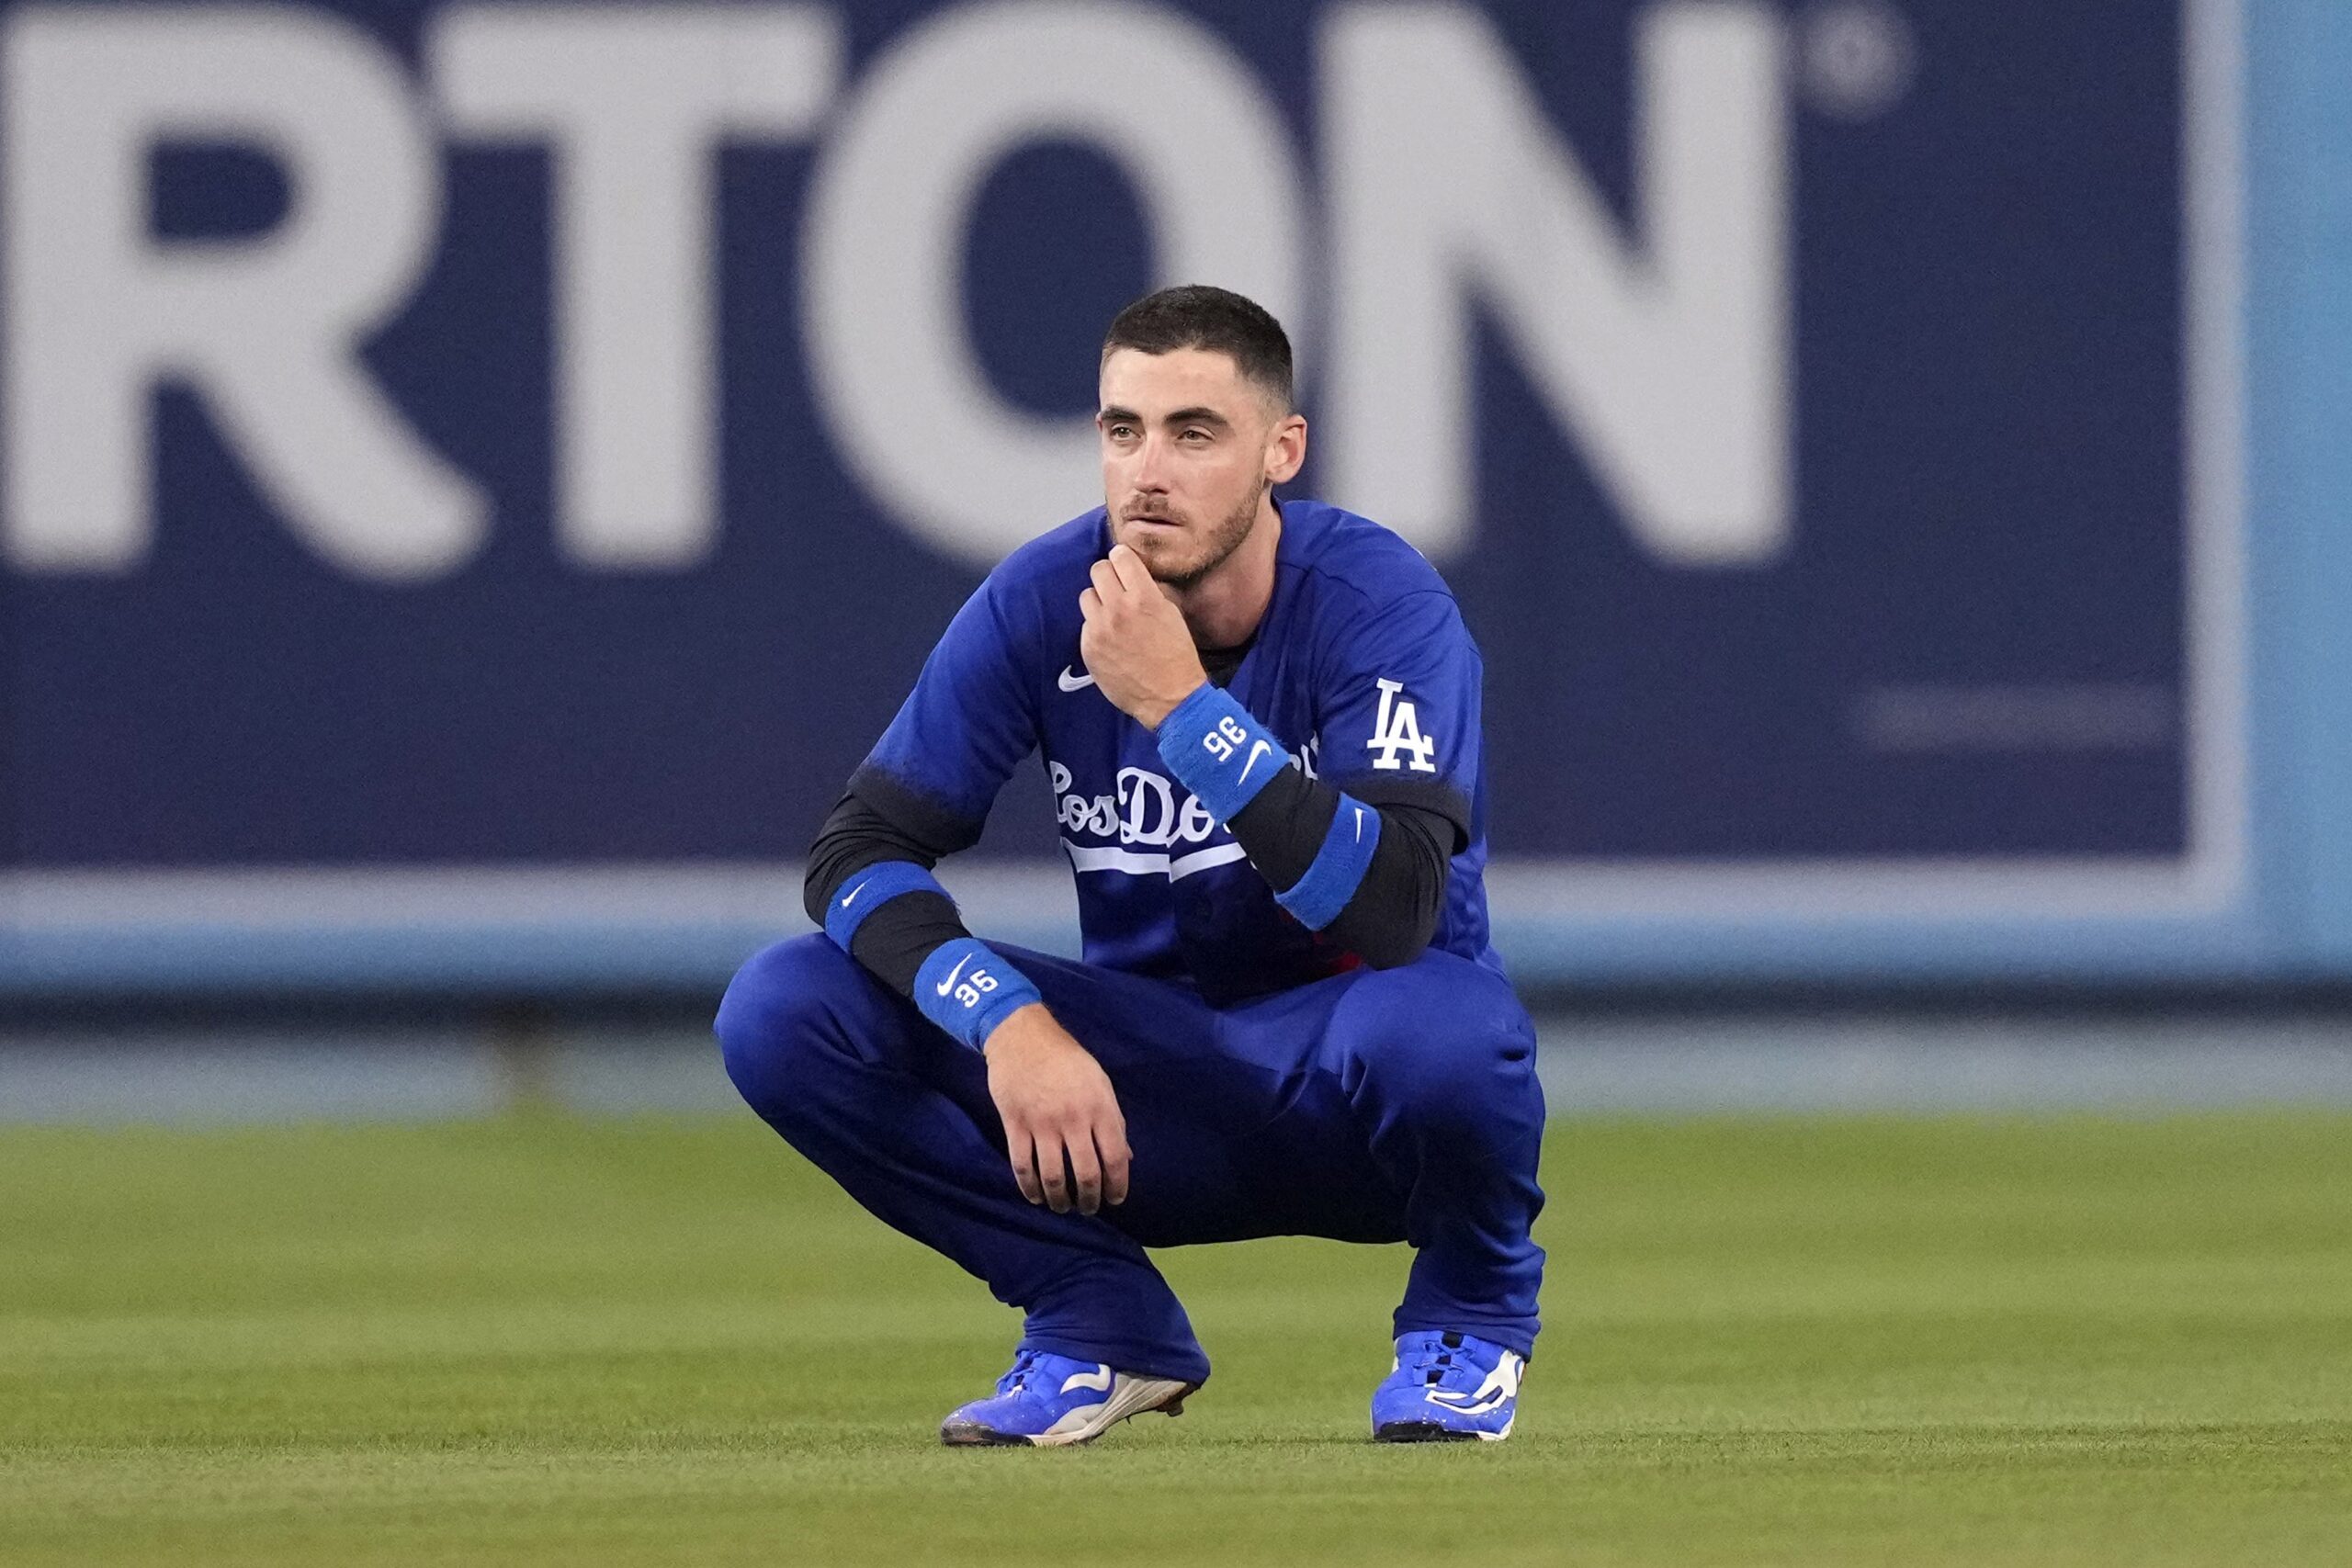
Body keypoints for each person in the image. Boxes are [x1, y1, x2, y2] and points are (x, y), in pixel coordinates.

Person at [716, 284, 1545, 1447]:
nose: (1147, 471)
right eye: (1122, 430)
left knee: (1449, 1027)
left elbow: (1398, 909)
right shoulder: (1042, 599)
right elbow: (857, 854)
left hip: (1362, 1090)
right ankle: (1097, 1320)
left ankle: (1468, 1316)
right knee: (784, 1005)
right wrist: (1009, 1021)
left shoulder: (1378, 604)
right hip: (1136, 1104)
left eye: (1194, 432)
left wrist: (1181, 709)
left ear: (1280, 451)